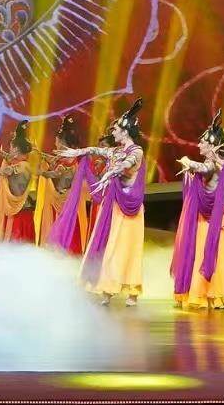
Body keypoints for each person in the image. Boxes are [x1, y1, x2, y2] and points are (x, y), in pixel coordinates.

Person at [59, 99, 146, 306]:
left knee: (128, 249)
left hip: (130, 207)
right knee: (111, 246)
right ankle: (108, 288)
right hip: (114, 205)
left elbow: (126, 164)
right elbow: (95, 150)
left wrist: (111, 173)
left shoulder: (136, 151)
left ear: (125, 131)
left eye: (115, 130)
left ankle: (132, 291)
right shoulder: (114, 151)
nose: (113, 132)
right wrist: (77, 152)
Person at [173, 110, 224, 311]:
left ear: (211, 145)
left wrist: (188, 161)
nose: (199, 145)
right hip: (203, 215)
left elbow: (205, 169)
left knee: (213, 253)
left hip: (214, 217)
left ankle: (212, 295)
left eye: (202, 142)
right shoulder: (212, 163)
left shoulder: (216, 164)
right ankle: (204, 294)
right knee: (200, 252)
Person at [35, 117, 87, 252]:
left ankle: (64, 248)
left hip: (65, 198)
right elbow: (53, 160)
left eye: (56, 141)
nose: (55, 143)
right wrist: (39, 153)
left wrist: (42, 173)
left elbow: (56, 173)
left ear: (61, 142)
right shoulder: (69, 157)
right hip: (64, 196)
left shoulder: (68, 160)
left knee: (63, 226)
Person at [0, 122, 37, 243]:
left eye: (11, 148)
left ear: (16, 149)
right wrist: (3, 155)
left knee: (17, 248)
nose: (9, 150)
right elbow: (11, 160)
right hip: (18, 211)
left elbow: (4, 171)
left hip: (20, 214)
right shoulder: (23, 164)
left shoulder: (21, 166)